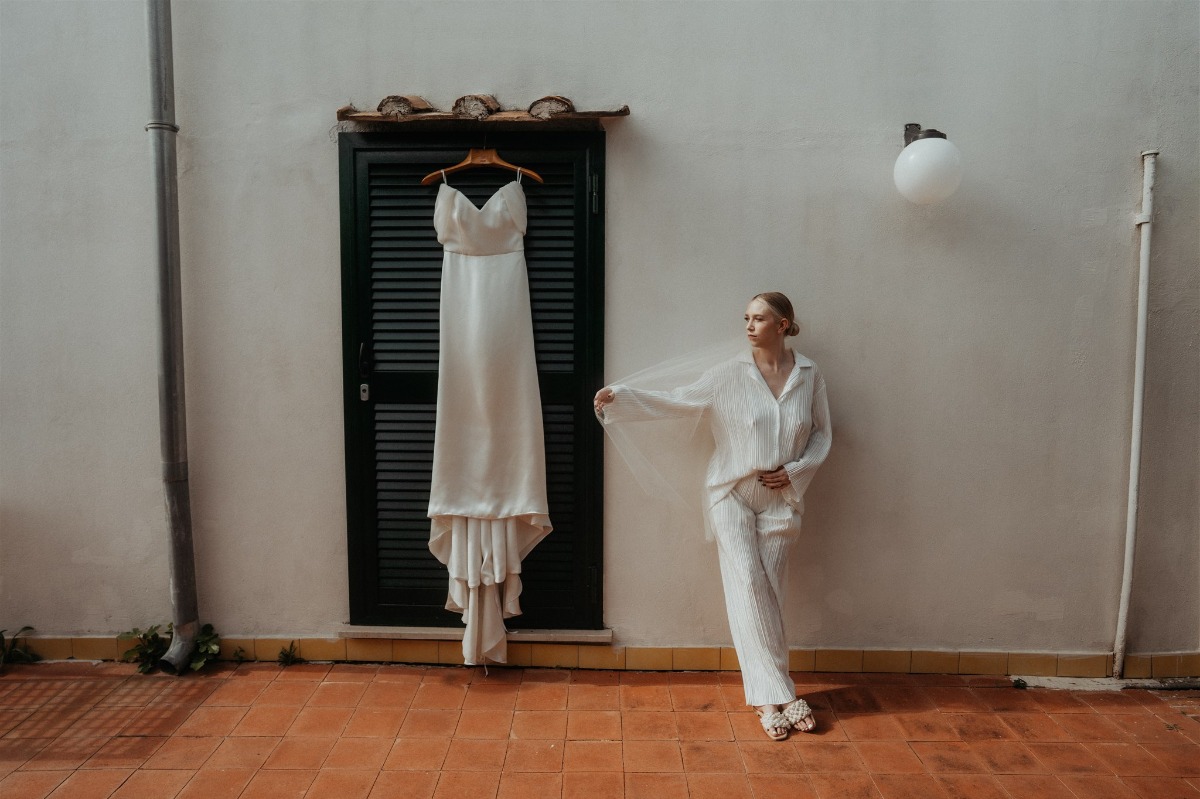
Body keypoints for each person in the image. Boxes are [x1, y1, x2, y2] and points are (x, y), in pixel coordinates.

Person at [593, 292, 831, 741]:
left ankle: (772, 692)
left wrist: (796, 471)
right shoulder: (728, 375)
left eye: (759, 318)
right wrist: (622, 397)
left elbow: (822, 434)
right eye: (746, 318)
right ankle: (773, 695)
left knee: (771, 593)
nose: (748, 325)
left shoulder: (809, 374)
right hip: (731, 494)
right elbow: (678, 400)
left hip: (783, 500)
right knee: (747, 583)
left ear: (783, 325)